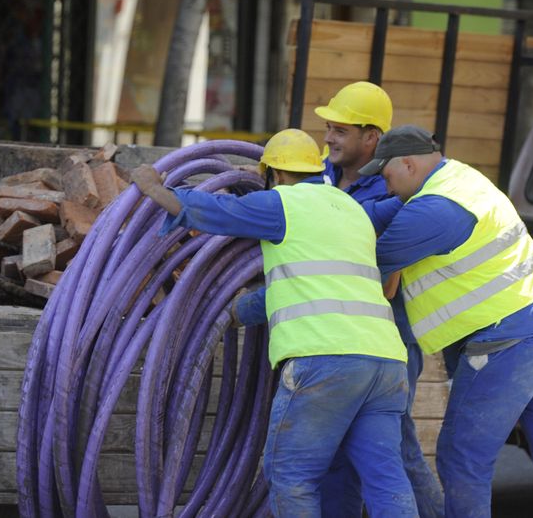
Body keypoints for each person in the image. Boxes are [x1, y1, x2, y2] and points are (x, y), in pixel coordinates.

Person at [131, 129, 416, 517]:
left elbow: (212, 212)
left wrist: (151, 187)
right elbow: (304, 286)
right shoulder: (351, 210)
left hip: (324, 359)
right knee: (385, 478)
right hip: (385, 363)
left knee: (290, 474)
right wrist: (234, 311)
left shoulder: (282, 202)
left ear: (274, 174)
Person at [360, 125, 533, 517]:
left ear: (407, 163)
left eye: (387, 176)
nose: (387, 188)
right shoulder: (464, 179)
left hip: (510, 343)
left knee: (461, 459)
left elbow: (365, 264)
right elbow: (381, 213)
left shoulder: (431, 210)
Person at [315, 81, 444, 518]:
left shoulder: (394, 190)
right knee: (341, 448)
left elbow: (384, 274)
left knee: (394, 451)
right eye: (328, 128)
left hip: (386, 338)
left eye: (340, 130)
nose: (328, 138)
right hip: (333, 336)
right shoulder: (320, 176)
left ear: (372, 137)